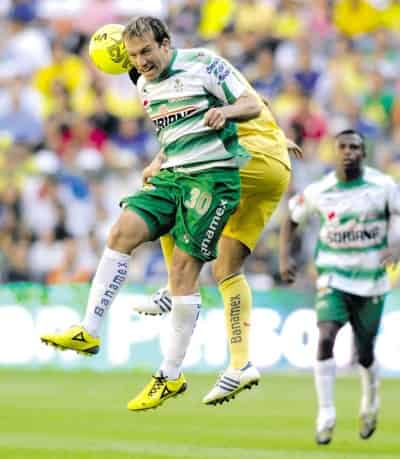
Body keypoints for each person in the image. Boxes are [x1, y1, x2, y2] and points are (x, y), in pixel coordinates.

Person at [40, 16, 266, 412]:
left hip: (213, 180)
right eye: (133, 56)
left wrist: (227, 113)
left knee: (182, 271)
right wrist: (159, 160)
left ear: (165, 43)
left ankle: (170, 375)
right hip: (175, 176)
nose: (141, 61)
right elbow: (176, 132)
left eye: (146, 51)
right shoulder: (144, 86)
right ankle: (89, 331)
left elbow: (253, 104)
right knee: (121, 231)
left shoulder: (204, 63)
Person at [128, 71, 294, 404]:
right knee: (227, 268)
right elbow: (257, 101)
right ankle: (240, 364)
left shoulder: (182, 78)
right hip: (274, 166)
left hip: (243, 158)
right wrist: (277, 137)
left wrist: (157, 161)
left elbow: (191, 132)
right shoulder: (208, 71)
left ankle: (175, 288)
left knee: (164, 185)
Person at [279, 130, 400, 444]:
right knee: (326, 336)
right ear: (335, 153)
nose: (348, 152)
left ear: (364, 152)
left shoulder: (384, 186)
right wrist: (284, 258)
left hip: (372, 280)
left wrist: (396, 246)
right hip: (332, 276)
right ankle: (326, 412)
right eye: (342, 147)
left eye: (354, 147)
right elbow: (291, 218)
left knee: (365, 353)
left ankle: (370, 403)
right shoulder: (320, 190)